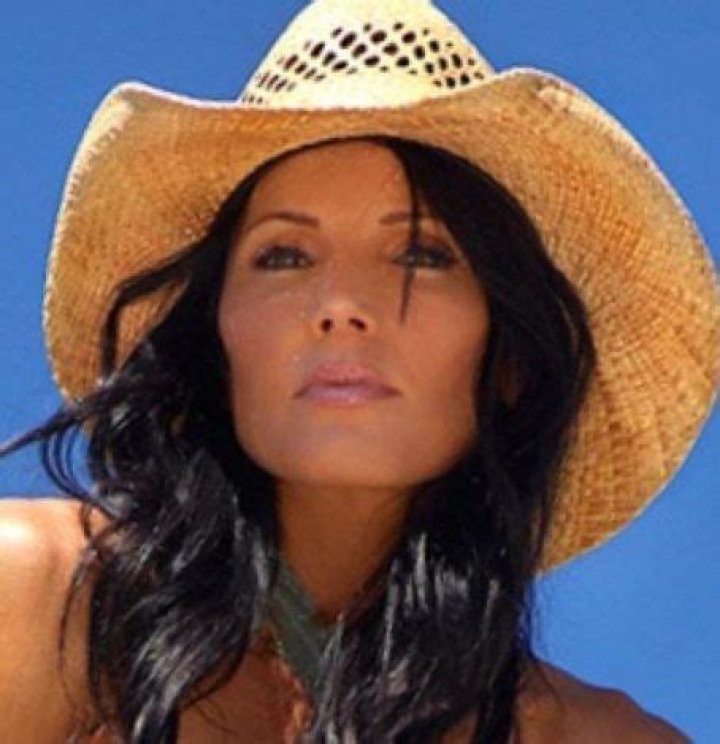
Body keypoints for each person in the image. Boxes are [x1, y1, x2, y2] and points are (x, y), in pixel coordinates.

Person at [0, 0, 716, 741]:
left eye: (422, 255)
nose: (341, 305)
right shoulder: (40, 606)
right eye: (284, 256)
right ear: (214, 340)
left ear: (511, 360)